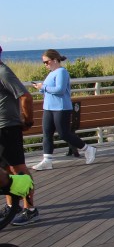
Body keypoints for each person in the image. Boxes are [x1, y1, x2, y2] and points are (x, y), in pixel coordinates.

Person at [30, 49, 96, 170]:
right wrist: (40, 88)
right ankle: (47, 160)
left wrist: (43, 87)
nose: (45, 64)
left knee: (64, 134)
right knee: (47, 134)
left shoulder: (62, 72)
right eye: (43, 62)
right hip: (48, 108)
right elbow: (49, 89)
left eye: (46, 62)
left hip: (61, 108)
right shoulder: (51, 73)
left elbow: (60, 90)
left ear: (55, 60)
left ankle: (88, 149)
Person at [0, 45, 36, 225]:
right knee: (5, 169)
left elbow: (26, 97)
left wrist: (27, 121)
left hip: (8, 127)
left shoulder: (3, 72)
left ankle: (30, 209)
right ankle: (11, 207)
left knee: (18, 169)